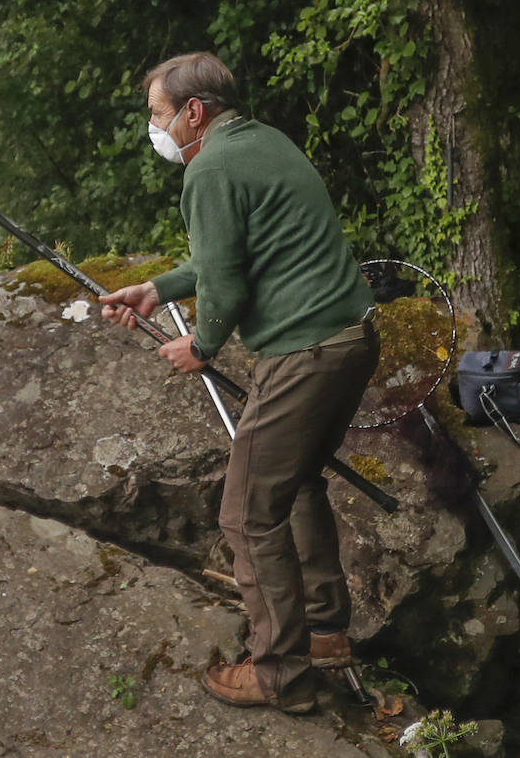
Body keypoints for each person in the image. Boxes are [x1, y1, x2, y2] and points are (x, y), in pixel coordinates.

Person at [99, 52, 379, 715]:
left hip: (305, 352)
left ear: (193, 111)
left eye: (159, 114)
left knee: (247, 511)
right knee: (299, 479)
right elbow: (228, 253)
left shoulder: (211, 167)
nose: (156, 128)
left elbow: (226, 283)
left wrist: (200, 343)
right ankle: (326, 629)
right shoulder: (263, 141)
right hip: (351, 338)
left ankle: (280, 671)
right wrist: (157, 288)